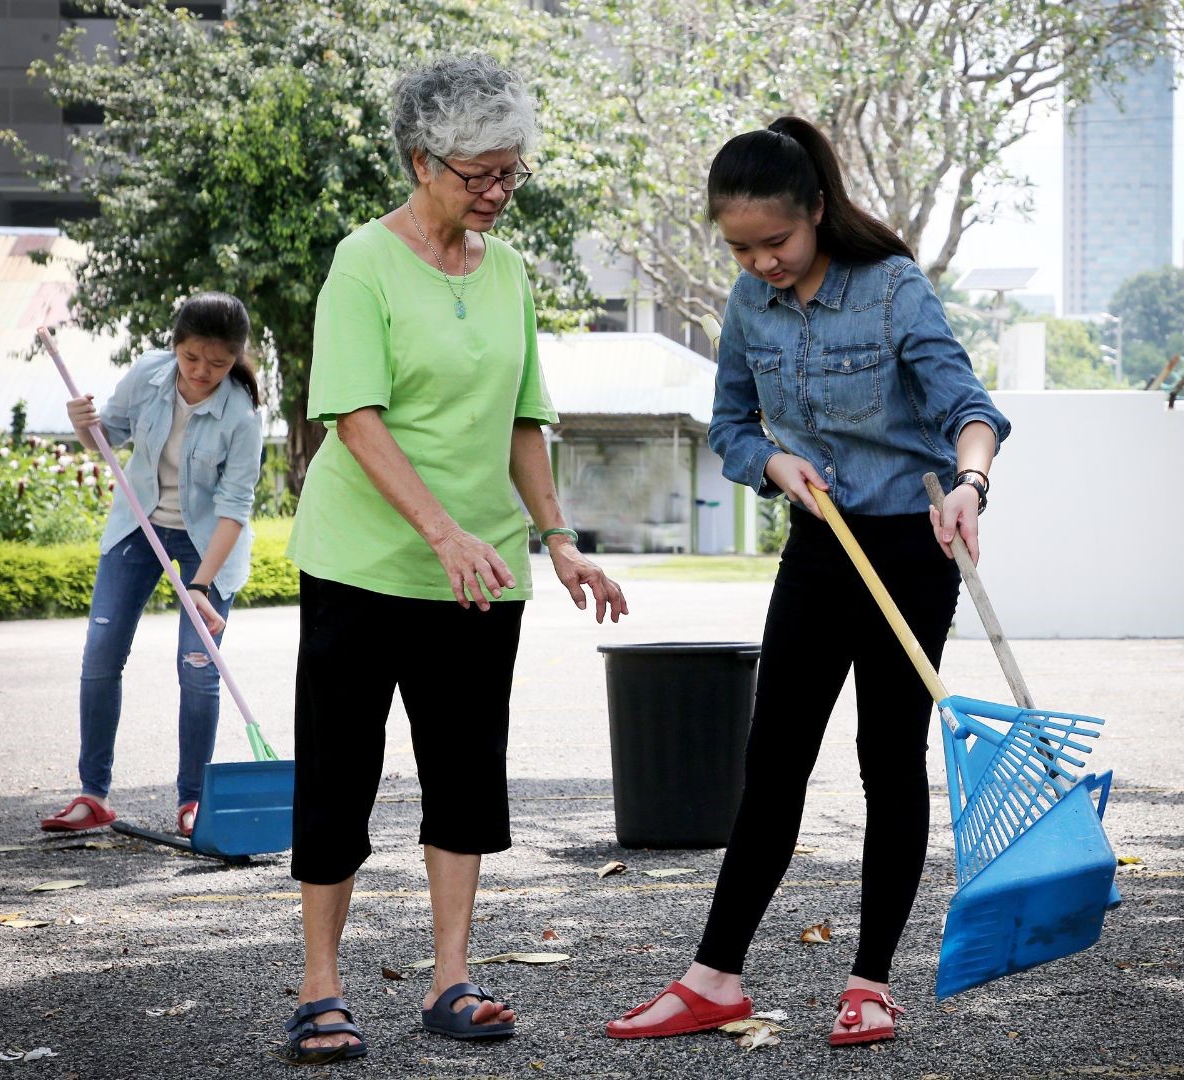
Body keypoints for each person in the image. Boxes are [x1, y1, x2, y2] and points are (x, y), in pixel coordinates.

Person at [606, 116, 1009, 1048]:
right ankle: (715, 978)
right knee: (774, 761)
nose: (760, 263)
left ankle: (870, 981)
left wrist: (971, 487)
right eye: (740, 247)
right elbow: (734, 425)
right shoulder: (749, 306)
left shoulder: (892, 289)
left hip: (913, 547)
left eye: (775, 242)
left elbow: (970, 411)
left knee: (886, 758)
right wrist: (772, 466)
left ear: (817, 212)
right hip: (820, 547)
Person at [275, 54, 627, 1066]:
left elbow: (524, 418)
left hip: (480, 575)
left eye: (511, 173)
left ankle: (451, 977)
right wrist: (440, 529)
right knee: (340, 771)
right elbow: (353, 417)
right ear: (423, 161)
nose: (498, 192)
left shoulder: (507, 271)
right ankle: (320, 985)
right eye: (480, 175)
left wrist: (558, 542)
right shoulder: (364, 262)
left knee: (467, 773)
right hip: (365, 564)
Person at [41, 292, 264, 841]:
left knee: (198, 669)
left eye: (217, 363)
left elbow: (234, 509)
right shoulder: (149, 375)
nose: (202, 372)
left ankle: (191, 801)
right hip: (136, 529)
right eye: (191, 358)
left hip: (207, 547)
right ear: (175, 346)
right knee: (101, 656)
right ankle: (93, 795)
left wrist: (202, 586)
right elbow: (107, 438)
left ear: (236, 357)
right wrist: (81, 422)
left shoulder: (243, 416)